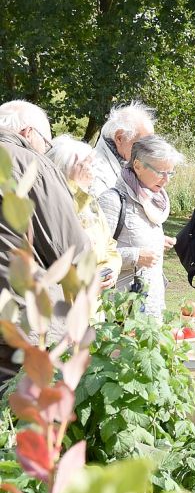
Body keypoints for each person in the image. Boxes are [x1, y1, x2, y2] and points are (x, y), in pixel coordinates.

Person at [0, 100, 91, 383]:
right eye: (47, 143)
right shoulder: (30, 163)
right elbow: (69, 249)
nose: (47, 151)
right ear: (29, 133)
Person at [99, 136, 182, 320]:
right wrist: (136, 255)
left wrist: (158, 241)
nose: (167, 180)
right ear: (137, 166)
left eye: (171, 172)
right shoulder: (112, 201)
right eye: (161, 172)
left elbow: (133, 235)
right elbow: (95, 256)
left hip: (153, 304)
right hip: (122, 309)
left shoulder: (153, 200)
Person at [49, 136, 122, 289]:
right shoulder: (54, 203)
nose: (91, 170)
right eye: (86, 163)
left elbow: (109, 245)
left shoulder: (91, 203)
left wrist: (112, 269)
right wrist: (77, 189)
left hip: (94, 304)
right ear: (68, 167)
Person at [90, 102, 156, 197]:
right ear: (119, 138)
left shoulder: (127, 164)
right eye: (143, 143)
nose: (149, 150)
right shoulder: (96, 175)